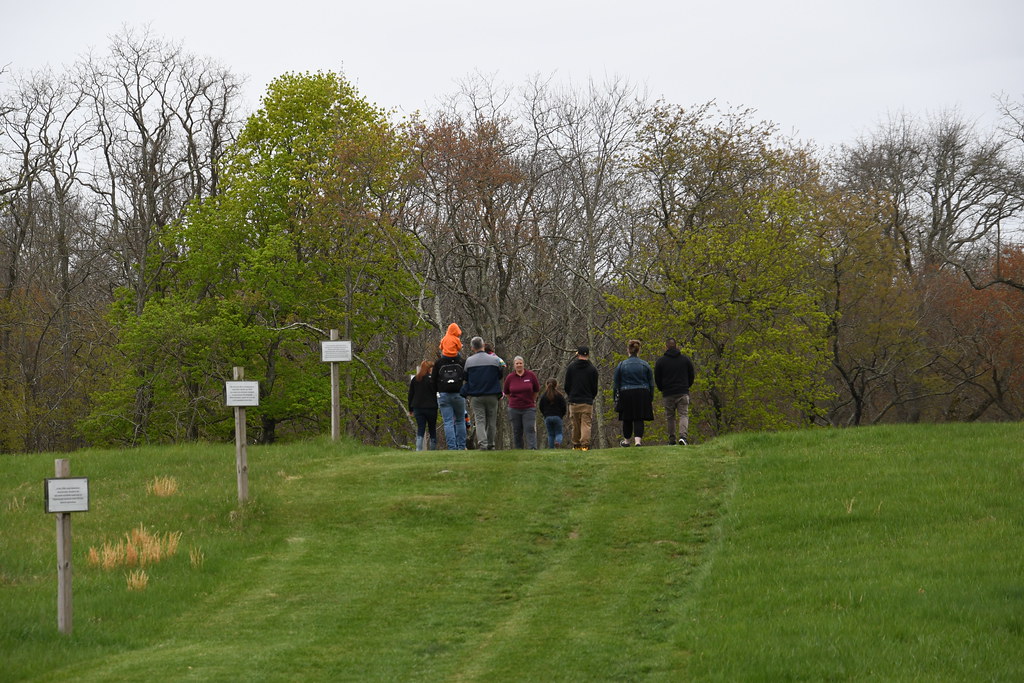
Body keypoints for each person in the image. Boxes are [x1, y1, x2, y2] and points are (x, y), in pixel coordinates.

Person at [461, 336, 504, 450]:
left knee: (480, 420)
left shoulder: (469, 361)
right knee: (492, 421)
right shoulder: (494, 360)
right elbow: (500, 375)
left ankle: (483, 444)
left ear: (472, 348)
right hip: (492, 394)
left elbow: (465, 377)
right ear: (483, 346)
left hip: (477, 396)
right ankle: (491, 444)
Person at [654, 338, 696, 445]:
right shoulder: (685, 360)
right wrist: (687, 386)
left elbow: (657, 378)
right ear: (676, 346)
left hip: (668, 392)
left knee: (670, 417)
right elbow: (691, 374)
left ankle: (672, 440)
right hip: (682, 391)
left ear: (666, 347)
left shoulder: (661, 361)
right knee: (683, 414)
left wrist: (662, 388)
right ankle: (683, 437)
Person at [613, 339, 655, 447]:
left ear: (628, 350)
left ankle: (627, 441)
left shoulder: (621, 365)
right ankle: (638, 441)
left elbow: (616, 384)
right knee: (639, 418)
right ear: (638, 350)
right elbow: (651, 383)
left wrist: (615, 398)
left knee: (627, 418)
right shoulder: (645, 365)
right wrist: (650, 397)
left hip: (626, 393)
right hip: (642, 393)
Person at [432, 323, 467, 450]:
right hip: (458, 393)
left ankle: (452, 447)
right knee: (460, 420)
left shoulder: (439, 363)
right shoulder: (461, 362)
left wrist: (436, 392)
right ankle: (461, 446)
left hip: (443, 394)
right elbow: (466, 377)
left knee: (448, 422)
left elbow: (433, 380)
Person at [564, 345, 599, 451]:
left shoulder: (571, 367)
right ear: (588, 355)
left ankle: (576, 445)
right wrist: (591, 397)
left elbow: (567, 385)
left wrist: (570, 395)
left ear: (578, 354)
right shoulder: (592, 369)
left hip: (574, 401)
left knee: (575, 425)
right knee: (586, 424)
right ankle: (585, 445)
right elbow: (594, 387)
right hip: (587, 401)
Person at [503, 356, 541, 449]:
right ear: (514, 365)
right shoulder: (510, 377)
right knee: (517, 431)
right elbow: (506, 392)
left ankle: (532, 448)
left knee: (530, 429)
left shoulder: (531, 375)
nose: (519, 365)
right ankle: (519, 449)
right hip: (514, 408)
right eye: (517, 363)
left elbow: (536, 390)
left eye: (520, 363)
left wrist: (532, 400)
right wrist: (512, 400)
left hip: (528, 408)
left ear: (523, 364)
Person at [407, 360, 437, 451]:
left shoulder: (415, 379)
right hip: (431, 407)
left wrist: (410, 409)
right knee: (432, 429)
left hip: (418, 407)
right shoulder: (432, 380)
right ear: (429, 369)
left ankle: (419, 449)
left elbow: (410, 395)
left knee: (420, 428)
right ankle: (432, 450)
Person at [538, 378, 568, 449]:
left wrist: (545, 414)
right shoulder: (559, 395)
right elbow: (564, 407)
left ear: (546, 385)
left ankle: (551, 448)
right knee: (559, 433)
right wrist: (561, 415)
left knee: (550, 434)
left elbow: (541, 406)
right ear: (556, 385)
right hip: (557, 417)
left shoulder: (544, 396)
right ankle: (557, 442)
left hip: (547, 417)